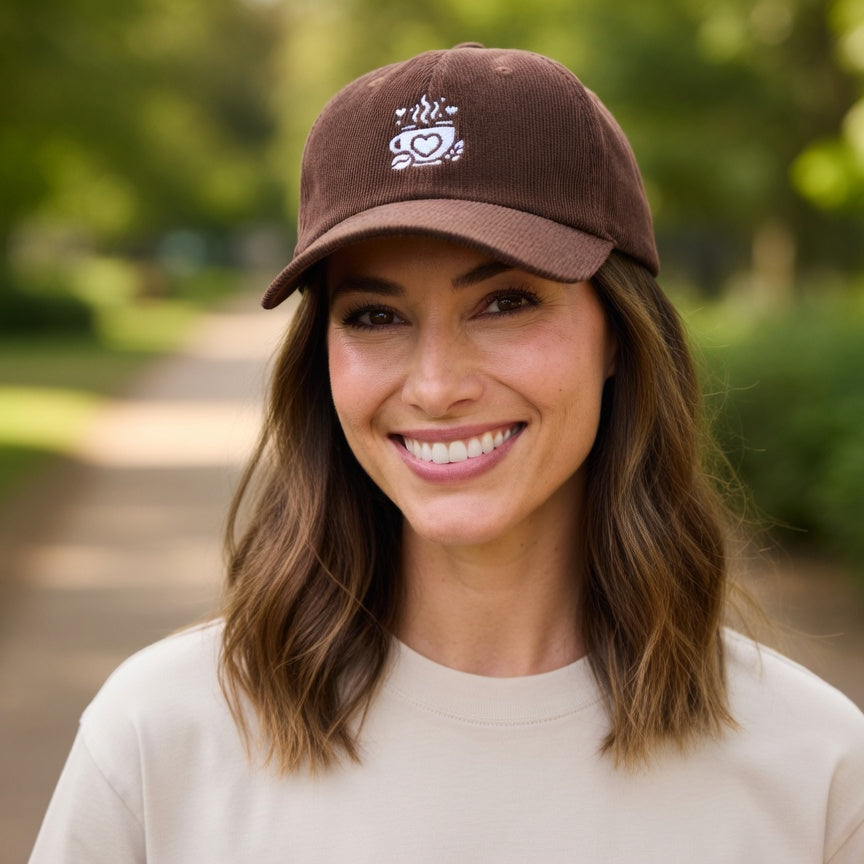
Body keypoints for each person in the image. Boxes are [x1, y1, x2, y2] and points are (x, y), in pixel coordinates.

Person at [30, 43, 864, 863]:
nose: (435, 386)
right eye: (375, 316)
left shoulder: (816, 774)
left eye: (505, 302)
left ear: (619, 334)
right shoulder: (159, 738)